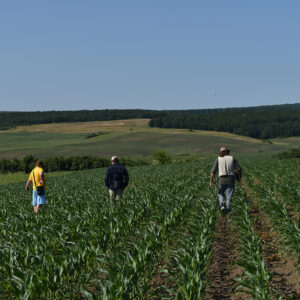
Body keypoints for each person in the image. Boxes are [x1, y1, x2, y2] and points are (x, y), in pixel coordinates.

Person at [209, 147, 242, 213]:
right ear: (227, 152)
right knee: (228, 194)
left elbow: (213, 171)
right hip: (231, 179)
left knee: (220, 193)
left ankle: (222, 205)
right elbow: (239, 169)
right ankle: (228, 209)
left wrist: (211, 181)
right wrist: (239, 178)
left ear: (220, 152)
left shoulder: (218, 159)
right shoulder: (232, 158)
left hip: (221, 179)